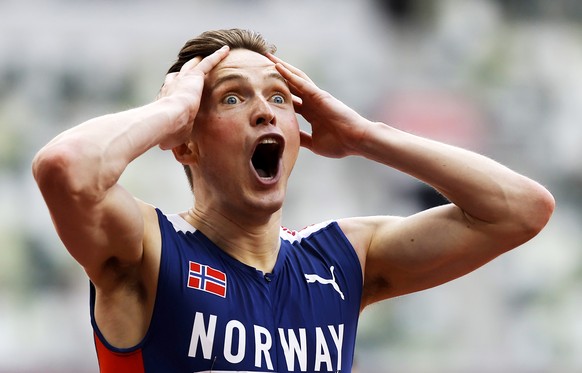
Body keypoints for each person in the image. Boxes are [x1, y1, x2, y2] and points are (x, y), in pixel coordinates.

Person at [32, 28, 555, 372]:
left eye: (278, 97)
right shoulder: (149, 250)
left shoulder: (341, 259)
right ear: (187, 142)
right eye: (233, 97)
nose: (265, 111)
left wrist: (364, 135)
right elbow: (65, 168)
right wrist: (170, 114)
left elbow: (522, 210)